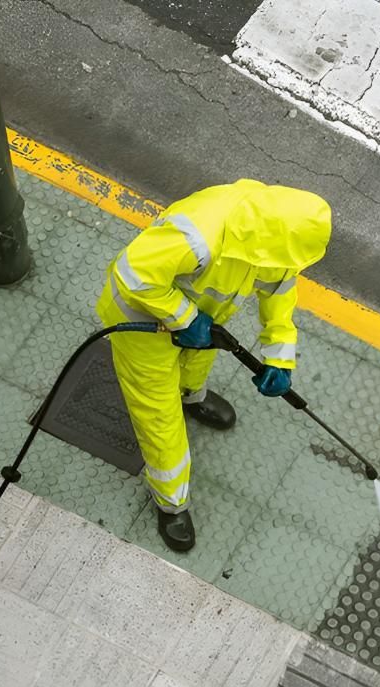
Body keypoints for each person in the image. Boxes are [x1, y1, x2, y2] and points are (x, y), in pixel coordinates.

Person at [95, 179, 332, 552]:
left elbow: (280, 293)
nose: (287, 269)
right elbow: (132, 275)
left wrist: (279, 358)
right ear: (267, 239)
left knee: (196, 364)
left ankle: (192, 397)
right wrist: (186, 317)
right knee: (158, 415)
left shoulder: (274, 238)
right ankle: (171, 503)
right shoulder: (199, 234)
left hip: (202, 322)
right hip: (141, 323)